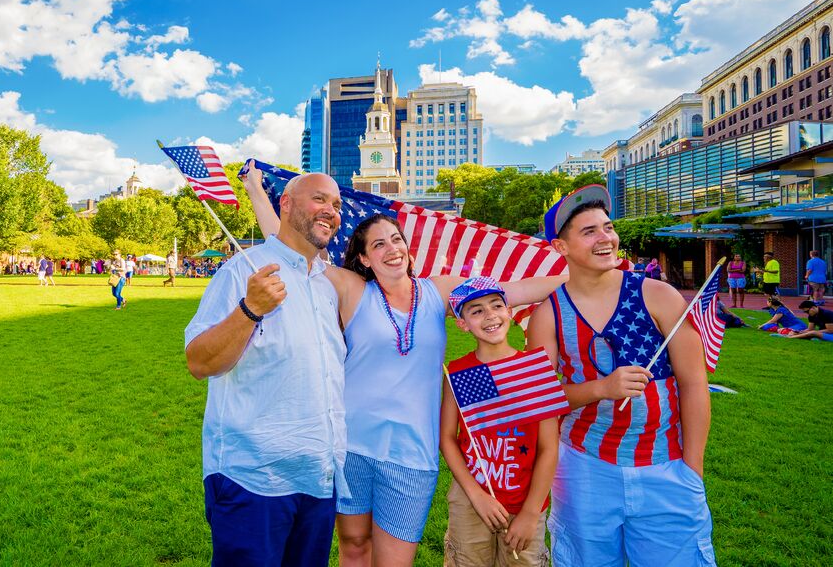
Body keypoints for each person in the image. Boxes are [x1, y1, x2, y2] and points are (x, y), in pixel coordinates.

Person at [242, 161, 565, 565]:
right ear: (363, 257)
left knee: (395, 560)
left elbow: (513, 291)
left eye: (396, 240)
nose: (392, 249)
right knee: (355, 548)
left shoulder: (439, 291)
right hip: (352, 445)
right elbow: (287, 241)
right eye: (378, 245)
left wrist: (584, 274)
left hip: (413, 453)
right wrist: (256, 189)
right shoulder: (350, 288)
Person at [526, 184, 715, 567]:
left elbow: (694, 383)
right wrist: (601, 388)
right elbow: (541, 398)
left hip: (666, 464)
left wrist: (691, 469)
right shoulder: (549, 314)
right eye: (589, 231)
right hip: (584, 468)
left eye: (608, 227)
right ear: (560, 248)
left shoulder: (658, 295)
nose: (605, 238)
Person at [184, 172, 347, 565]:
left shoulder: (328, 285)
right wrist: (250, 308)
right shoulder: (243, 271)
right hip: (253, 480)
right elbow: (199, 361)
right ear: (286, 205)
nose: (331, 211)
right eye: (320, 200)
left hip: (319, 476)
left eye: (337, 205)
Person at [441, 278, 558, 567]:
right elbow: (447, 438)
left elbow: (549, 448)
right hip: (472, 500)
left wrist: (531, 512)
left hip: (525, 498)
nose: (490, 315)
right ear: (463, 324)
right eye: (476, 311)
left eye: (496, 305)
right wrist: (476, 494)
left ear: (509, 311)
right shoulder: (461, 372)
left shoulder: (535, 370)